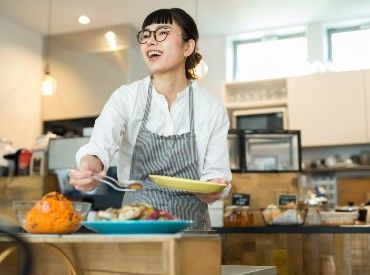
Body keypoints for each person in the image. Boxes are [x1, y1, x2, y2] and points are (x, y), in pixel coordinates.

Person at [69, 8, 231, 230]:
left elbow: (216, 172)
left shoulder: (211, 108)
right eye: (146, 35)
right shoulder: (126, 97)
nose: (150, 41)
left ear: (188, 46)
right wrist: (89, 167)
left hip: (194, 233)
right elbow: (99, 146)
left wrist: (215, 187)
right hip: (136, 227)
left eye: (162, 33)